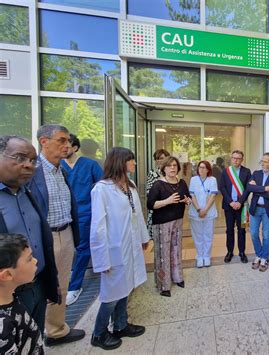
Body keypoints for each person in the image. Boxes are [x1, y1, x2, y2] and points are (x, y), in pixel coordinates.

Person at [28, 125, 85, 346]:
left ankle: (56, 330)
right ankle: (31, 332)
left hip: (65, 233)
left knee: (60, 284)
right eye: (61, 140)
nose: (67, 145)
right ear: (44, 141)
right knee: (35, 287)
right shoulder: (32, 172)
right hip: (43, 238)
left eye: (68, 141)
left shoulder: (61, 171)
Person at [89, 147, 148, 350]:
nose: (134, 164)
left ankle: (121, 325)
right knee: (111, 295)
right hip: (112, 249)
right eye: (131, 160)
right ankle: (99, 333)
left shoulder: (129, 187)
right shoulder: (102, 189)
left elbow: (137, 216)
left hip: (129, 245)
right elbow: (97, 227)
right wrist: (101, 258)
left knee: (125, 287)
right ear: (120, 163)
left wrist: (143, 238)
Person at [0, 135, 60, 334]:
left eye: (33, 161)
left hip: (38, 283)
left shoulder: (27, 192)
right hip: (8, 292)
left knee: (34, 338)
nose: (28, 165)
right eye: (20, 158)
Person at [61, 134, 103, 306]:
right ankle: (63, 284)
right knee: (65, 250)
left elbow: (103, 185)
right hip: (63, 216)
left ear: (76, 148)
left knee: (83, 248)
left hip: (85, 212)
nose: (63, 148)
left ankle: (75, 286)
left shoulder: (90, 165)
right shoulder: (57, 166)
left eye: (67, 144)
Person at [147, 156, 191, 297]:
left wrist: (187, 200)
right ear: (164, 168)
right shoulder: (158, 184)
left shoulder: (182, 182)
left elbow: (188, 197)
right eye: (169, 166)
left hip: (177, 221)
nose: (172, 168)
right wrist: (167, 201)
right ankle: (163, 285)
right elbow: (150, 205)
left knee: (176, 250)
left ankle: (177, 277)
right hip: (162, 223)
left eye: (174, 165)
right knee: (163, 254)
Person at [0, 234, 44, 354]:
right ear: (7, 275)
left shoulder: (10, 297)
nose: (35, 261)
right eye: (29, 259)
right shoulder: (3, 328)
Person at [246, 153, 269, 272]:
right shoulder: (256, 174)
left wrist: (257, 189)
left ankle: (264, 258)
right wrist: (265, 188)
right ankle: (259, 254)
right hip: (255, 208)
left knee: (266, 235)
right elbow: (249, 188)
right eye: (262, 161)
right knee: (254, 233)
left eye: (266, 161)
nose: (263, 163)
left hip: (267, 209)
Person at [219, 150, 251, 263]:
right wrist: (230, 202)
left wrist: (240, 202)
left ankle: (242, 252)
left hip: (242, 207)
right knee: (229, 230)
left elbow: (248, 188)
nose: (236, 160)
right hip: (229, 206)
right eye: (234, 158)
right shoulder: (225, 171)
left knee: (242, 229)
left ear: (242, 160)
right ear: (231, 158)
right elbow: (222, 187)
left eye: (238, 158)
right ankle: (230, 252)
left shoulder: (247, 172)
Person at [188, 160, 218, 268]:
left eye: (204, 167)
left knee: (208, 235)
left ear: (208, 169)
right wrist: (198, 209)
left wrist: (205, 210)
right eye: (200, 167)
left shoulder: (212, 179)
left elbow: (213, 196)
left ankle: (206, 256)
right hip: (195, 212)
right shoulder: (193, 179)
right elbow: (192, 195)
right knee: (198, 236)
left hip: (209, 212)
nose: (202, 169)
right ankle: (200, 256)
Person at [146, 149, 170, 238]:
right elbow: (150, 193)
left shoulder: (172, 173)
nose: (159, 161)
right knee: (158, 240)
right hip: (156, 211)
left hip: (170, 211)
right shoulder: (152, 173)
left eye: (161, 158)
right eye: (157, 159)